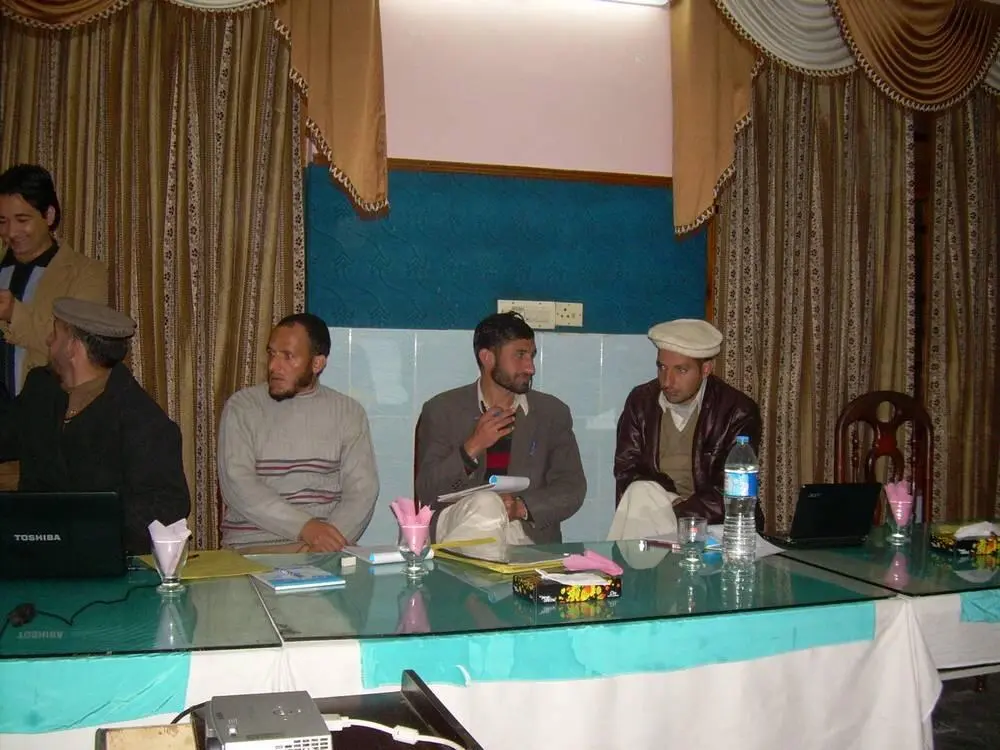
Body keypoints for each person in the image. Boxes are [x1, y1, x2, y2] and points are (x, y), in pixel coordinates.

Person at [0, 297, 190, 554]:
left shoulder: (142, 419)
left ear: (72, 347)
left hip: (103, 560)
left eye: (55, 333)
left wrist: (87, 528)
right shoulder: (40, 390)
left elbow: (167, 506)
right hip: (31, 554)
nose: (48, 340)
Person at [415, 312, 586, 545]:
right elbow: (427, 492)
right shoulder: (442, 410)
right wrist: (471, 448)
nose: (530, 368)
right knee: (486, 504)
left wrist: (521, 508)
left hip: (524, 533)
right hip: (459, 526)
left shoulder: (552, 413)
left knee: (497, 521)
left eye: (532, 356)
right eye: (520, 355)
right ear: (487, 358)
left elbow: (572, 487)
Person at [218, 313, 379, 552]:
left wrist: (326, 542)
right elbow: (238, 485)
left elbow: (362, 492)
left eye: (288, 356)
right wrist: (305, 528)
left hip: (326, 548)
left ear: (317, 364)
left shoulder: (348, 412)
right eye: (272, 353)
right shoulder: (243, 407)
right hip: (253, 547)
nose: (273, 366)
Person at [608, 318, 762, 540]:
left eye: (681, 370)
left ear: (705, 369)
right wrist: (665, 502)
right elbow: (626, 471)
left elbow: (733, 491)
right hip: (654, 506)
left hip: (714, 524)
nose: (667, 381)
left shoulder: (737, 410)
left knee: (643, 506)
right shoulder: (641, 402)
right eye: (662, 367)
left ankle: (621, 561)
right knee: (640, 492)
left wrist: (678, 511)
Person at [0, 164, 107, 399]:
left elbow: (79, 349)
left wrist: (13, 314)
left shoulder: (87, 273)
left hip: (48, 412)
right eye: (2, 221)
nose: (11, 232)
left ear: (48, 215)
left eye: (22, 219)